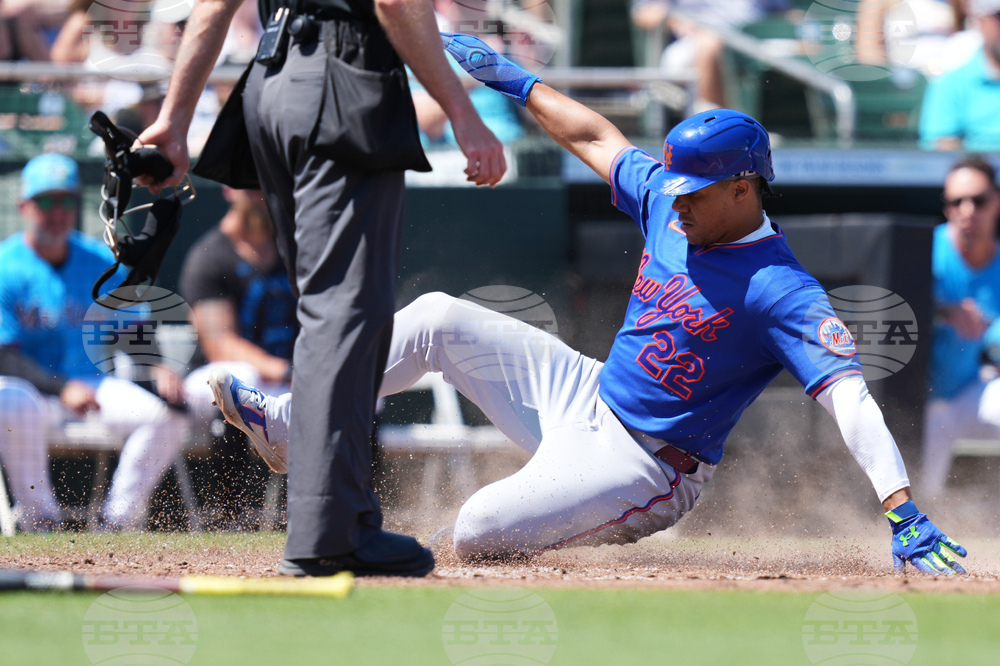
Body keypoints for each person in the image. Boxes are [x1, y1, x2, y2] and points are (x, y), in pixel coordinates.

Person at [207, 34, 969, 575]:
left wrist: (900, 506)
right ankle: (289, 425)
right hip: (583, 392)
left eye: (698, 193)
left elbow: (851, 400)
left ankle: (425, 557)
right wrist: (510, 79)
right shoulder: (675, 201)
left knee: (476, 529)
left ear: (744, 189)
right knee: (438, 314)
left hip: (647, 467)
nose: (679, 205)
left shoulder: (781, 287)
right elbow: (596, 136)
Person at [137, 0, 506, 577]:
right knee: (347, 311)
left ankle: (344, 517)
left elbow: (213, 4)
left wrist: (176, 117)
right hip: (343, 86)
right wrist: (461, 110)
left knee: (327, 308)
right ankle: (328, 533)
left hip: (270, 85)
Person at [0, 154, 189, 532]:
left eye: (66, 201)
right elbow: (4, 357)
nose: (57, 212)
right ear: (24, 206)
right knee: (11, 401)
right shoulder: (6, 265)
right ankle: (41, 521)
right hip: (32, 394)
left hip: (92, 386)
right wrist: (61, 387)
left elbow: (130, 328)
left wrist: (156, 364)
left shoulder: (99, 259)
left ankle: (118, 520)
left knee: (166, 414)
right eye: (46, 201)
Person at [175, 187, 296, 524]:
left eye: (266, 184)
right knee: (238, 377)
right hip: (212, 381)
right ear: (229, 189)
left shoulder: (296, 249)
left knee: (358, 392)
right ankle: (231, 515)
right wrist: (290, 371)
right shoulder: (211, 254)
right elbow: (219, 344)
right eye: (250, 185)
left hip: (288, 378)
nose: (261, 194)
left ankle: (313, 517)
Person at [922, 155, 1000, 495]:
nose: (967, 210)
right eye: (956, 202)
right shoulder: (922, 248)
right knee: (919, 504)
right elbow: (891, 310)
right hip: (912, 401)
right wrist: (943, 311)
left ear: (996, 201)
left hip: (968, 391)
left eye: (978, 200)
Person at [630, 0, 788, 112]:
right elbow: (644, 14)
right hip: (689, 46)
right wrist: (674, 19)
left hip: (753, 46)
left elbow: (784, 13)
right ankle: (716, 125)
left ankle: (744, 130)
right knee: (709, 44)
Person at [919, 0, 1000, 151]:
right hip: (975, 169)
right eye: (999, 17)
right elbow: (940, 142)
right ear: (981, 21)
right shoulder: (952, 81)